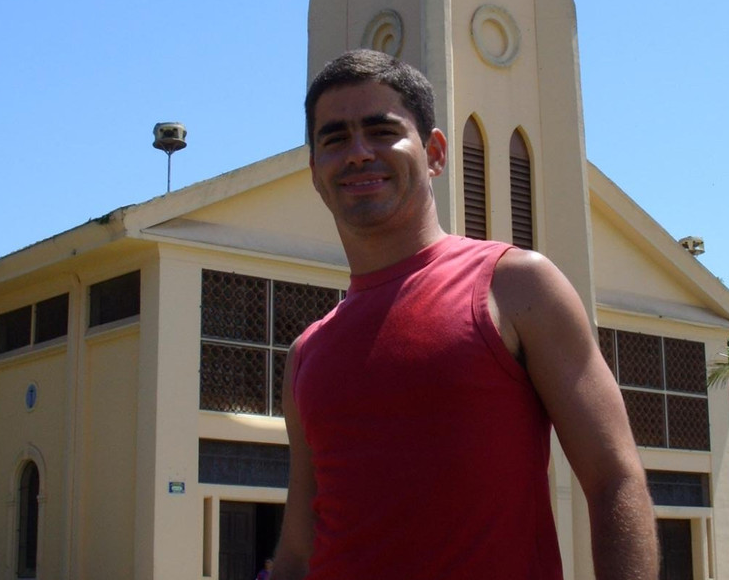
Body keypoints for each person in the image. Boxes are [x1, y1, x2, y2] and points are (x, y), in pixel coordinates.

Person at [271, 50, 658, 580]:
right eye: (335, 139)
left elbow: (614, 477)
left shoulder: (517, 286)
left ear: (434, 152)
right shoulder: (306, 353)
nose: (359, 153)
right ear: (315, 171)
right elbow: (298, 548)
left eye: (382, 131)